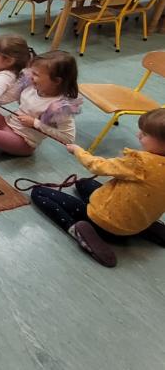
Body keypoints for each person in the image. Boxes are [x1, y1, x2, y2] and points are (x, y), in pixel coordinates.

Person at [29, 109, 165, 267]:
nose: (138, 135)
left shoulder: (140, 162)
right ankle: (146, 228)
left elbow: (98, 166)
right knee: (83, 183)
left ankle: (78, 231)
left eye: (145, 134)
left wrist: (79, 151)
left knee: (39, 193)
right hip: (138, 222)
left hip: (105, 225)